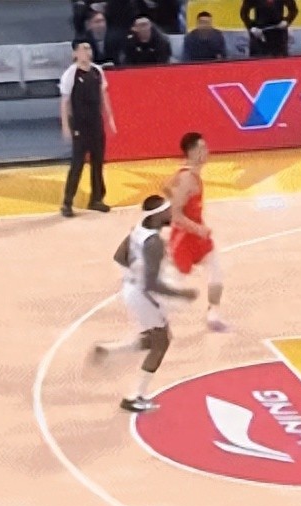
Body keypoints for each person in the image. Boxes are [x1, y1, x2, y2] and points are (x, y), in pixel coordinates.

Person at [90, 195, 198, 413]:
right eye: (167, 211)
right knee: (162, 343)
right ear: (157, 216)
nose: (171, 214)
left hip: (132, 290)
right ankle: (134, 397)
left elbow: (120, 257)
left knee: (152, 338)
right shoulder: (154, 243)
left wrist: (131, 276)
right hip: (144, 296)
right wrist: (181, 294)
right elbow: (152, 285)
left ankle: (110, 351)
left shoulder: (137, 230)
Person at [164, 133, 227, 332]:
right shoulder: (186, 178)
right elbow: (176, 215)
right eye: (202, 148)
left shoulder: (189, 174)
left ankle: (213, 313)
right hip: (184, 239)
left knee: (216, 270)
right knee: (175, 289)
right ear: (192, 152)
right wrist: (197, 228)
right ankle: (152, 319)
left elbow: (165, 187)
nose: (207, 151)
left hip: (198, 238)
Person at [59, 39, 116, 218]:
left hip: (96, 123)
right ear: (75, 53)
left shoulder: (97, 71)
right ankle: (67, 202)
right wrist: (66, 125)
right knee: (77, 164)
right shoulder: (70, 74)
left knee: (98, 163)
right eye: (83, 49)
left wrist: (110, 119)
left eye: (89, 48)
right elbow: (65, 102)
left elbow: (103, 96)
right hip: (80, 125)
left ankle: (96, 199)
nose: (87, 51)